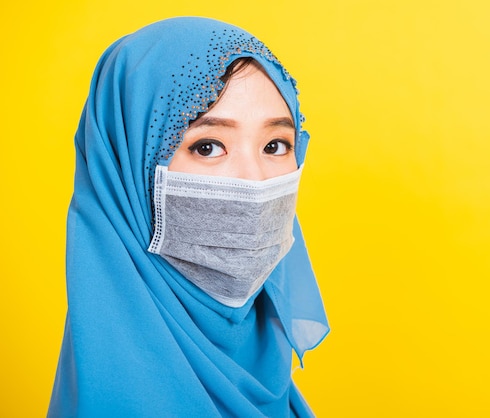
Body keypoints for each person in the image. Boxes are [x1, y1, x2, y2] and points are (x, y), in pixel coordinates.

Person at [48, 17, 329, 417]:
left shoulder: (271, 380)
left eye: (275, 145)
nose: (254, 180)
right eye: (208, 146)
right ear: (129, 173)